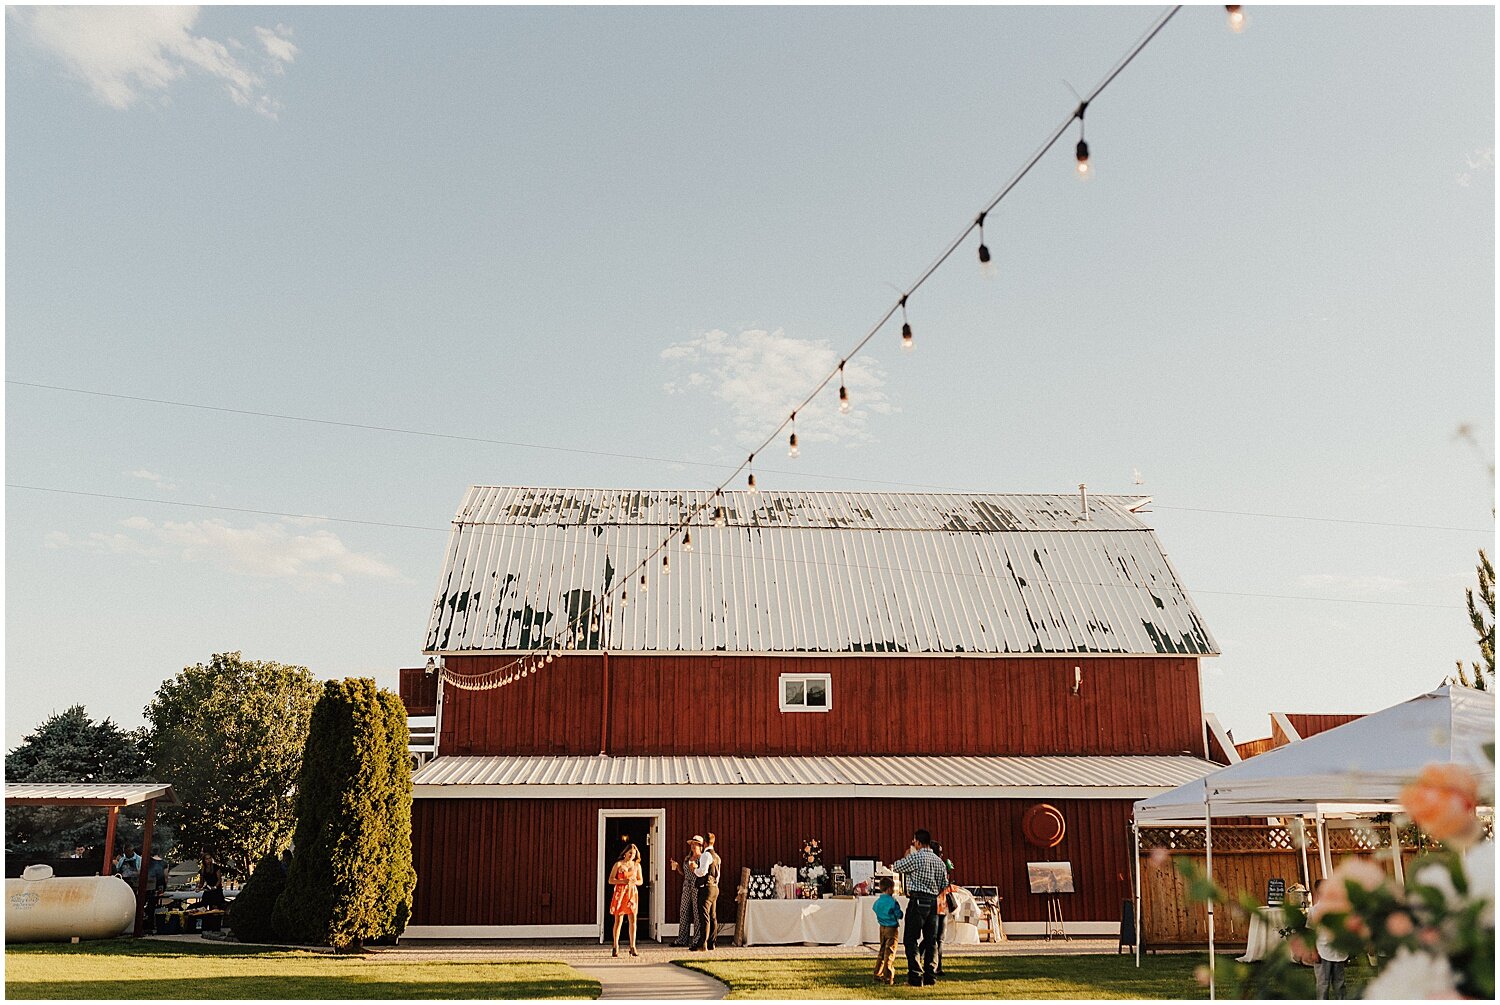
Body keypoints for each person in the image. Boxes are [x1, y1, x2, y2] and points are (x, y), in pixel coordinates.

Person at [892, 828, 948, 987]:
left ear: (918, 842)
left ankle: (916, 976)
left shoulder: (916, 857)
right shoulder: (938, 861)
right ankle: (931, 976)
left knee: (911, 939)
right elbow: (944, 884)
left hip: (917, 900)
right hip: (933, 902)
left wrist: (907, 856)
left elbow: (897, 866)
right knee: (931, 940)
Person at [1313, 880, 1348, 999]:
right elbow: (1310, 932)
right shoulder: (1314, 911)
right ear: (1318, 892)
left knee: (1340, 983)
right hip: (1322, 951)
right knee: (1323, 984)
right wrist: (1313, 951)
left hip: (1338, 950)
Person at [669, 836, 705, 948]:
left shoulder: (702, 859)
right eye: (692, 844)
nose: (693, 846)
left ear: (700, 846)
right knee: (684, 911)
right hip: (686, 886)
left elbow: (702, 873)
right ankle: (682, 939)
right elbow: (684, 873)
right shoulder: (688, 858)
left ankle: (697, 939)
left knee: (697, 912)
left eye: (695, 844)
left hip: (696, 886)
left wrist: (694, 868)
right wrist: (678, 867)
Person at [608, 844, 643, 957]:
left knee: (633, 919)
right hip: (620, 893)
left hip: (631, 893)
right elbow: (611, 880)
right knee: (618, 920)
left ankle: (632, 946)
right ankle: (615, 945)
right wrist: (623, 882)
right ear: (625, 853)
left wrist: (634, 882)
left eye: (633, 854)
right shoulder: (618, 865)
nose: (631, 855)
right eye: (630, 853)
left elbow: (640, 880)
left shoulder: (636, 866)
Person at [931, 841, 958, 977]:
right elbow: (944, 886)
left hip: (936, 905)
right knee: (938, 938)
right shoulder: (940, 865)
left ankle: (934, 964)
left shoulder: (931, 865)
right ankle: (937, 965)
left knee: (934, 937)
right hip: (939, 905)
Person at [871, 876, 904, 985]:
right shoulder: (892, 902)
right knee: (889, 952)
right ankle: (888, 976)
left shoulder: (878, 902)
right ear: (889, 889)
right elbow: (899, 914)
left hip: (882, 927)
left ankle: (877, 973)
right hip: (891, 927)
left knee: (881, 950)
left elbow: (874, 908)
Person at [692, 832, 721, 951]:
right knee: (713, 916)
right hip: (714, 887)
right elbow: (718, 874)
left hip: (706, 887)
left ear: (704, 843)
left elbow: (702, 872)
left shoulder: (706, 855)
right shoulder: (717, 856)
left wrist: (694, 868)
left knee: (704, 916)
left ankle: (702, 943)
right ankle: (712, 942)